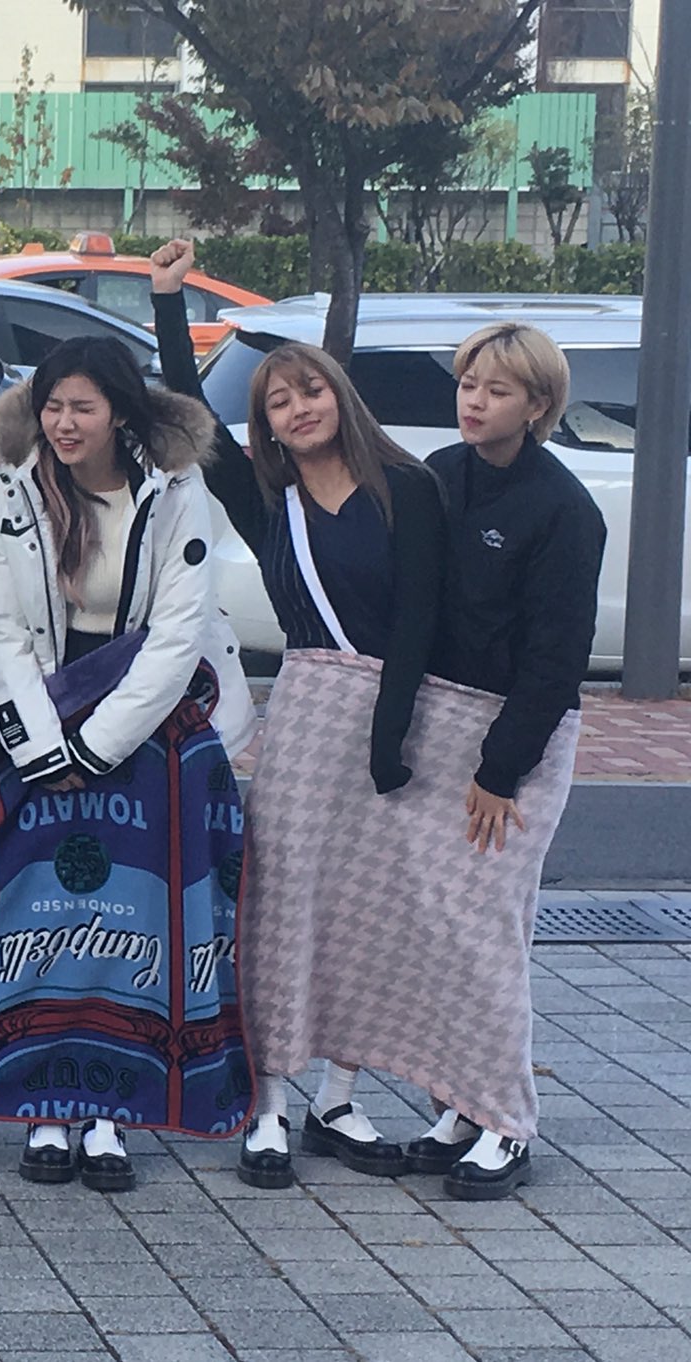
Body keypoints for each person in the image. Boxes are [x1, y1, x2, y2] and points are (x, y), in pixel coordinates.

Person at [148, 240, 449, 1190]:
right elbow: (189, 411)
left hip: (397, 717)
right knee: (281, 906)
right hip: (309, 713)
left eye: (310, 390)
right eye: (278, 402)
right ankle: (268, 1102)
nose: (298, 408)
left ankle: (339, 1096)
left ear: (339, 396)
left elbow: (422, 621)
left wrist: (392, 737)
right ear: (267, 425)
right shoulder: (267, 498)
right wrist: (168, 302)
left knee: (371, 911)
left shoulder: (411, 489)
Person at [0, 333, 257, 1193]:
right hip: (40, 715)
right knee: (38, 914)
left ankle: (109, 1108)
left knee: (127, 917)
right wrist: (41, 748)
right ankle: (45, 1103)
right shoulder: (14, 482)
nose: (63, 424)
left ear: (119, 413)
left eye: (82, 408)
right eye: (52, 407)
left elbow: (177, 632)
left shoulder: (176, 488)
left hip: (142, 723)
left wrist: (97, 748)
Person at [413, 323, 604, 1199]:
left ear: (538, 406)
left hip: (515, 746)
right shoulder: (437, 477)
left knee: (487, 933)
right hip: (438, 727)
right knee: (443, 934)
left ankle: (507, 1122)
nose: (474, 401)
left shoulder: (564, 510)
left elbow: (556, 661)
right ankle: (461, 1103)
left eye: (496, 390)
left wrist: (500, 771)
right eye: (468, 384)